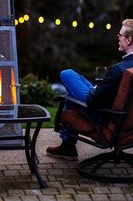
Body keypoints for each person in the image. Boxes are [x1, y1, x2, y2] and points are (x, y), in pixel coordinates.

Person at [46, 19, 133, 160]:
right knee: (74, 89)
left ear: (128, 40)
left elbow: (93, 101)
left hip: (105, 117)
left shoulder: (118, 70)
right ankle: (67, 146)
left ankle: (67, 147)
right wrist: (101, 88)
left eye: (120, 35)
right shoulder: (127, 69)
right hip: (126, 119)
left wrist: (96, 91)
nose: (118, 38)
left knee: (67, 74)